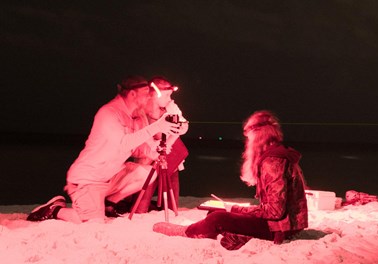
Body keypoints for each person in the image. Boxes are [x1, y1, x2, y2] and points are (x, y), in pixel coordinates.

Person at [26, 76, 182, 223]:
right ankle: (55, 209)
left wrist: (171, 137)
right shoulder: (108, 113)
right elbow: (123, 144)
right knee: (93, 222)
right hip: (88, 179)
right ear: (133, 94)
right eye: (145, 94)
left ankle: (108, 203)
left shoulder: (134, 117)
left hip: (110, 178)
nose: (148, 98)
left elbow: (137, 150)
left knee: (147, 173)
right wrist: (157, 127)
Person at [153, 110, 308, 250]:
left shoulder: (272, 162)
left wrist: (235, 209)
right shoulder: (276, 155)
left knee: (218, 217)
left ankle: (187, 232)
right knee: (216, 213)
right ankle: (223, 232)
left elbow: (274, 212)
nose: (247, 143)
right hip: (285, 225)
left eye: (249, 138)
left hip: (281, 228)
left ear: (259, 136)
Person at [129, 76, 189, 213]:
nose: (170, 99)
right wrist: (155, 149)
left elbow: (183, 125)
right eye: (167, 95)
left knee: (172, 205)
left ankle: (168, 210)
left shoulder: (170, 107)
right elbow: (142, 133)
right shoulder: (141, 111)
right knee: (140, 206)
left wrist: (168, 144)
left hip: (169, 158)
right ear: (156, 94)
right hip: (148, 160)